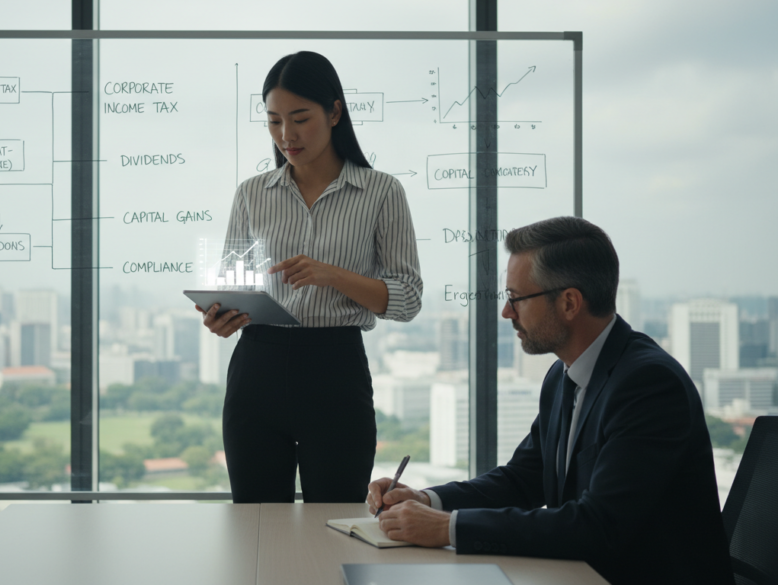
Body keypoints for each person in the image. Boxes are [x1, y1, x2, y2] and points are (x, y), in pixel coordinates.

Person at [367, 217, 733, 584]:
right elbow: (523, 479)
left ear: (569, 302)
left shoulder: (648, 384)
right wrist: (427, 500)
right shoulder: (563, 374)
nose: (506, 312)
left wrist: (447, 528)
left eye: (516, 298)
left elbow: (598, 525)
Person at [195, 51, 423, 504]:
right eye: (274, 121)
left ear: (334, 112)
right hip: (256, 368)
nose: (287, 135)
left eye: (300, 119)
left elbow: (408, 299)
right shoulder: (251, 194)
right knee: (256, 523)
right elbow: (233, 286)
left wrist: (333, 275)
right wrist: (221, 316)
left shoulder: (381, 192)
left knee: (334, 520)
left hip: (335, 370)